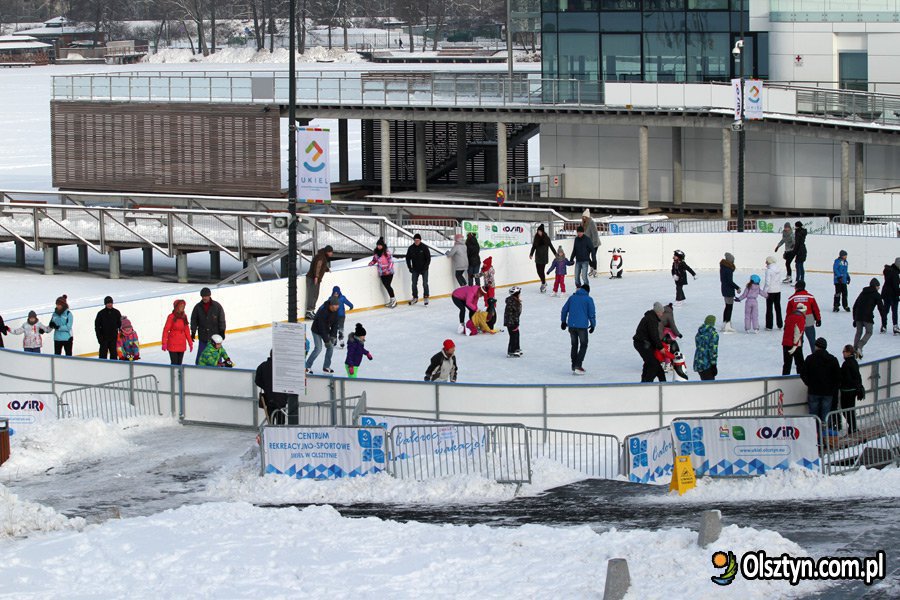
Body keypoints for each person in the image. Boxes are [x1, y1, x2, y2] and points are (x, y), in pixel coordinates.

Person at [801, 337, 840, 430]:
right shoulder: (832, 359)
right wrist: (832, 387)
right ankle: (824, 433)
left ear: (816, 346)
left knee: (813, 416)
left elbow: (803, 374)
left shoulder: (810, 359)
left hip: (813, 391)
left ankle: (814, 433)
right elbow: (838, 376)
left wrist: (809, 383)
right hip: (827, 392)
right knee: (825, 416)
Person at [561, 283, 596, 376]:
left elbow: (564, 310)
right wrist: (593, 325)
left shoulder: (572, 298)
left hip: (571, 326)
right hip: (582, 327)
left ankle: (574, 365)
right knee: (583, 345)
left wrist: (563, 321)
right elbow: (591, 313)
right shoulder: (588, 299)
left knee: (574, 345)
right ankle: (578, 365)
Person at [191, 287, 226, 364]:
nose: (204, 298)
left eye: (206, 296)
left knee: (216, 355)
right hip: (203, 337)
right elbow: (194, 320)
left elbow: (221, 320)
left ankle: (218, 367)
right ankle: (199, 368)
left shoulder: (217, 306)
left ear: (209, 295)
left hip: (215, 337)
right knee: (201, 355)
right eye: (203, 296)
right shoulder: (197, 307)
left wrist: (222, 331)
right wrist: (193, 331)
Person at [633, 302, 666, 383]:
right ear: (658, 312)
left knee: (651, 364)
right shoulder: (651, 319)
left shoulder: (651, 317)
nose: (662, 314)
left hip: (644, 344)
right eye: (661, 312)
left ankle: (661, 383)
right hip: (643, 344)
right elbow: (654, 335)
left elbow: (653, 336)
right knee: (653, 365)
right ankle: (647, 384)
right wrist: (660, 347)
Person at [852, 278, 884, 359]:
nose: (879, 288)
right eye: (878, 286)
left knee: (858, 332)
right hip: (868, 317)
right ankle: (859, 346)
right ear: (875, 286)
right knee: (869, 332)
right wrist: (884, 319)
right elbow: (881, 308)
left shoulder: (862, 293)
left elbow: (855, 306)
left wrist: (854, 318)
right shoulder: (876, 294)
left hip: (858, 316)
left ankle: (855, 349)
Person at [306, 296, 339, 374]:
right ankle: (307, 366)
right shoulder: (323, 311)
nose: (336, 308)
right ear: (331, 305)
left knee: (330, 347)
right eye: (335, 306)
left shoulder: (335, 311)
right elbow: (322, 328)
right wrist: (326, 341)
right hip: (316, 330)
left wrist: (333, 336)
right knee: (318, 348)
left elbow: (335, 324)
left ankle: (326, 367)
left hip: (326, 330)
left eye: (337, 306)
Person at [786, 281, 821, 351]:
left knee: (799, 342)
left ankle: (799, 356)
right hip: (809, 320)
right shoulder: (810, 297)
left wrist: (787, 323)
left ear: (796, 288)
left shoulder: (792, 298)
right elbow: (815, 309)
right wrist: (818, 319)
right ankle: (816, 355)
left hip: (797, 321)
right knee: (812, 340)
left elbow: (789, 313)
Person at [838, 344, 865, 436]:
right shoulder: (853, 362)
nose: (843, 353)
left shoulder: (847, 364)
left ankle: (853, 428)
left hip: (847, 391)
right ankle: (852, 427)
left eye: (844, 351)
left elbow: (846, 377)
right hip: (852, 390)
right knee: (850, 410)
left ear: (849, 352)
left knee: (847, 410)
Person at [255, 351, 288, 424]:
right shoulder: (283, 366)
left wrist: (266, 388)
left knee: (270, 422)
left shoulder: (262, 366)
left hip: (269, 399)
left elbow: (257, 381)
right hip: (282, 401)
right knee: (281, 424)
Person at [305, 245, 333, 319]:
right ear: (327, 252)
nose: (332, 254)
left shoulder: (322, 256)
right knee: (312, 295)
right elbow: (318, 266)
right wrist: (316, 277)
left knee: (315, 295)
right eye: (331, 252)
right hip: (312, 278)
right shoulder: (321, 257)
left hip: (315, 278)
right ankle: (309, 312)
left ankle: (311, 311)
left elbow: (322, 266)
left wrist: (327, 269)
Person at [162, 299, 193, 365]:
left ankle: (179, 372)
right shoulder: (171, 317)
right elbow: (166, 330)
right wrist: (164, 343)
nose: (183, 307)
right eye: (181, 306)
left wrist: (190, 343)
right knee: (174, 363)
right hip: (172, 344)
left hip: (182, 344)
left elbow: (187, 330)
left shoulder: (184, 316)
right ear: (176, 307)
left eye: (183, 306)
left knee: (179, 364)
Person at [369, 237, 397, 308]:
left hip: (389, 273)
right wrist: (371, 263)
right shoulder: (376, 253)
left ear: (383, 245)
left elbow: (391, 262)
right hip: (382, 273)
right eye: (378, 245)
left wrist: (388, 269)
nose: (379, 246)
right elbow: (374, 260)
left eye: (380, 245)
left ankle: (394, 300)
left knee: (388, 285)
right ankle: (391, 300)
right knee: (386, 286)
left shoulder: (386, 252)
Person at [406, 233, 431, 306]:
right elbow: (408, 258)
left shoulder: (424, 247)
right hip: (415, 269)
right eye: (415, 240)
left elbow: (428, 258)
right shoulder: (411, 248)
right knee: (414, 284)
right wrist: (410, 267)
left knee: (425, 283)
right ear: (414, 240)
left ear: (420, 240)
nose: (416, 241)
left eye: (418, 240)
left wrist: (425, 267)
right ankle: (415, 297)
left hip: (424, 269)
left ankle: (426, 297)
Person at [782, 303, 806, 375]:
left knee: (787, 365)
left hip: (786, 343)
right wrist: (795, 345)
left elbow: (785, 328)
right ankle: (800, 379)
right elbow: (798, 332)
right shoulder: (801, 318)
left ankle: (784, 379)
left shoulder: (790, 316)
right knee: (800, 364)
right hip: (795, 344)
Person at [719, 252, 741, 333]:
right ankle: (727, 325)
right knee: (729, 307)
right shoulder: (728, 269)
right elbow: (730, 281)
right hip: (728, 290)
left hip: (724, 289)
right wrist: (737, 287)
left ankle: (725, 323)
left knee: (727, 307)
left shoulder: (723, 267)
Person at [94, 296, 121, 360]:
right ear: (105, 304)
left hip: (114, 339)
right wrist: (99, 338)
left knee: (114, 357)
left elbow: (120, 325)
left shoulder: (116, 312)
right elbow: (97, 327)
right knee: (102, 358)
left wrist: (120, 337)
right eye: (108, 303)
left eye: (110, 303)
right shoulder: (100, 313)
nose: (109, 304)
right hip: (104, 339)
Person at [694, 315, 719, 381]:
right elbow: (713, 351)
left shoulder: (699, 332)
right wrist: (714, 365)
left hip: (698, 362)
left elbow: (698, 345)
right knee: (710, 384)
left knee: (704, 382)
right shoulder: (713, 334)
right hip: (707, 364)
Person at [762, 256, 784, 330]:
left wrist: (764, 292)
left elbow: (767, 283)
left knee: (769, 308)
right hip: (778, 290)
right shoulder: (778, 269)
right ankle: (780, 324)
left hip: (770, 291)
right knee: (778, 307)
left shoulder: (768, 271)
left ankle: (769, 325)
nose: (765, 262)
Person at [529, 224, 552, 293]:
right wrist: (531, 254)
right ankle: (543, 281)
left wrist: (556, 254)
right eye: (538, 231)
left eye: (540, 231)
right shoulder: (536, 237)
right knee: (538, 271)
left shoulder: (546, 238)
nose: (539, 232)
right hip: (538, 257)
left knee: (541, 271)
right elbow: (534, 247)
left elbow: (551, 246)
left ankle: (543, 283)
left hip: (544, 257)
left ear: (542, 231)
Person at [881, 257, 900, 335]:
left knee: (886, 310)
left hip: (886, 293)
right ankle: (895, 327)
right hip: (893, 294)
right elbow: (895, 286)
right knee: (894, 311)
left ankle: (883, 326)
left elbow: (891, 281)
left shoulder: (890, 270)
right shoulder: (895, 273)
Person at [504, 286, 523, 358]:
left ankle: (516, 348)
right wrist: (516, 323)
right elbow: (515, 314)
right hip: (512, 322)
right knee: (513, 336)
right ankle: (511, 351)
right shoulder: (515, 302)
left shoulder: (512, 300)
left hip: (511, 322)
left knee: (516, 335)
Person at [582, 209, 601, 277]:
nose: (584, 218)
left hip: (594, 243)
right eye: (583, 217)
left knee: (593, 256)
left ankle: (595, 270)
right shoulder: (583, 224)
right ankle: (592, 268)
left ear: (588, 217)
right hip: (588, 243)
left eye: (585, 217)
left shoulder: (591, 223)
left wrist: (594, 244)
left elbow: (595, 234)